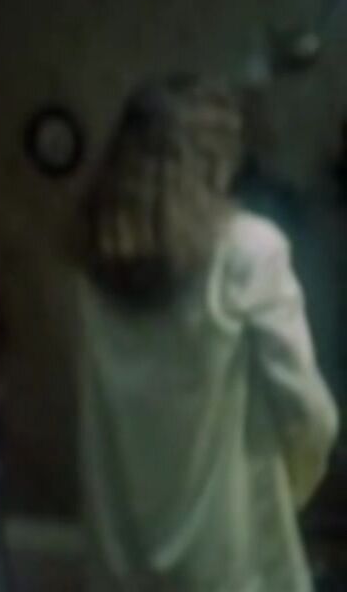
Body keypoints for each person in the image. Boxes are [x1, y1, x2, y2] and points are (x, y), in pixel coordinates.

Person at [74, 73, 338, 591]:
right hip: (231, 560)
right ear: (216, 164)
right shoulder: (246, 251)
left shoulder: (94, 252)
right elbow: (309, 414)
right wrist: (292, 490)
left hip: (120, 552)